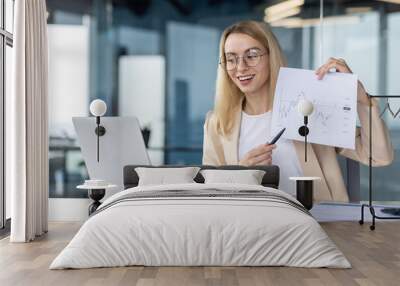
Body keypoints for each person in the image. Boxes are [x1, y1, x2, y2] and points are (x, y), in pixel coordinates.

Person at [202, 20, 394, 202]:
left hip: (318, 227)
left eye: (252, 55)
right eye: (231, 59)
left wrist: (362, 101)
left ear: (272, 57)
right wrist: (240, 173)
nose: (241, 67)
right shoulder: (216, 124)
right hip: (252, 228)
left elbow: (378, 156)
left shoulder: (310, 107)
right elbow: (209, 192)